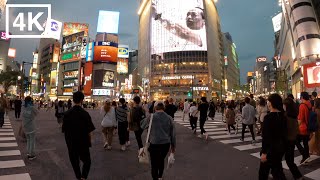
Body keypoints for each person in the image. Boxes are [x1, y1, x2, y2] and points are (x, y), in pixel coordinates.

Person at [62, 92, 95, 180]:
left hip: (71, 143)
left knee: (75, 162)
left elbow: (64, 130)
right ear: (82, 100)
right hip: (83, 142)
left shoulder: (67, 114)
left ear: (73, 99)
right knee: (87, 161)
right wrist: (90, 140)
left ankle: (78, 177)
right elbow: (90, 130)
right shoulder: (85, 114)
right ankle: (83, 177)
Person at [141, 101, 176, 180]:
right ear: (164, 107)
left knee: (154, 163)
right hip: (165, 144)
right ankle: (160, 176)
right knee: (161, 160)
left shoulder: (151, 116)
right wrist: (173, 148)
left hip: (154, 143)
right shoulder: (169, 118)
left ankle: (155, 178)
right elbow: (173, 134)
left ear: (155, 108)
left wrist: (146, 112)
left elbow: (142, 125)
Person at [259, 94, 287, 180]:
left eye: (268, 101)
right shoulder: (283, 116)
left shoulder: (268, 118)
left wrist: (264, 153)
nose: (267, 102)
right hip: (280, 148)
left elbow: (266, 137)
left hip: (270, 150)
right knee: (277, 170)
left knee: (263, 173)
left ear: (271, 103)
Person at [283, 97, 303, 179]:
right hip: (292, 140)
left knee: (288, 160)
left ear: (286, 106)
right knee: (289, 160)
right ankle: (298, 176)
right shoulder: (294, 114)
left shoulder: (286, 116)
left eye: (283, 105)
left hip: (287, 140)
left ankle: (298, 176)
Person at [296, 92, 311, 165]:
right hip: (309, 126)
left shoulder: (302, 105)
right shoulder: (309, 104)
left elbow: (300, 119)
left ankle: (304, 155)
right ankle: (307, 155)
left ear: (302, 97)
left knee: (296, 141)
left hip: (302, 127)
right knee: (305, 143)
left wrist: (296, 127)